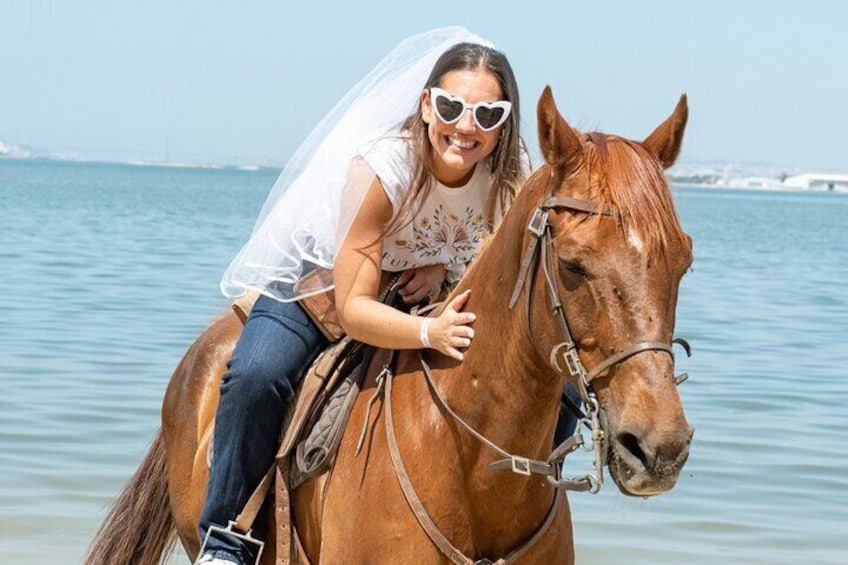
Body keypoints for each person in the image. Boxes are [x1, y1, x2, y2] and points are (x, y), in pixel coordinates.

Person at [197, 27, 527, 565]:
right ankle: (225, 540)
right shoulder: (384, 167)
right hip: (326, 287)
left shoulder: (509, 179)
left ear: (503, 124)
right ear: (426, 104)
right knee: (255, 377)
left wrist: (442, 266)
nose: (467, 127)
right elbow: (353, 308)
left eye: (487, 115)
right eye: (451, 106)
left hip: (417, 290)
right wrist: (428, 332)